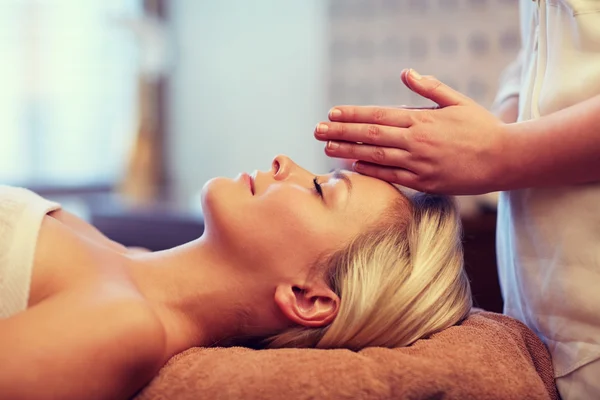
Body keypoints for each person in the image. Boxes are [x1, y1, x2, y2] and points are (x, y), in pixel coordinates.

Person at [0, 155, 471, 400]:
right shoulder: (115, 256)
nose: (284, 162)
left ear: (307, 297)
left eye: (320, 190)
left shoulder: (122, 327)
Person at [313, 2, 600, 398]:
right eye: (320, 187)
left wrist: (499, 153)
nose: (280, 164)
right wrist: (445, 141)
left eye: (319, 190)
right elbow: (540, 64)